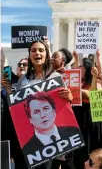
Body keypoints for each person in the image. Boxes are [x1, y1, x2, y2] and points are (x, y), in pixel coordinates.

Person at [2, 40, 73, 169]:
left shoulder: (55, 77)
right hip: (27, 139)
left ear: (46, 54)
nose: (37, 53)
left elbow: (64, 109)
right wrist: (8, 91)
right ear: (30, 55)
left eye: (41, 50)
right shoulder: (23, 79)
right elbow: (18, 108)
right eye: (33, 51)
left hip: (49, 145)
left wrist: (69, 98)